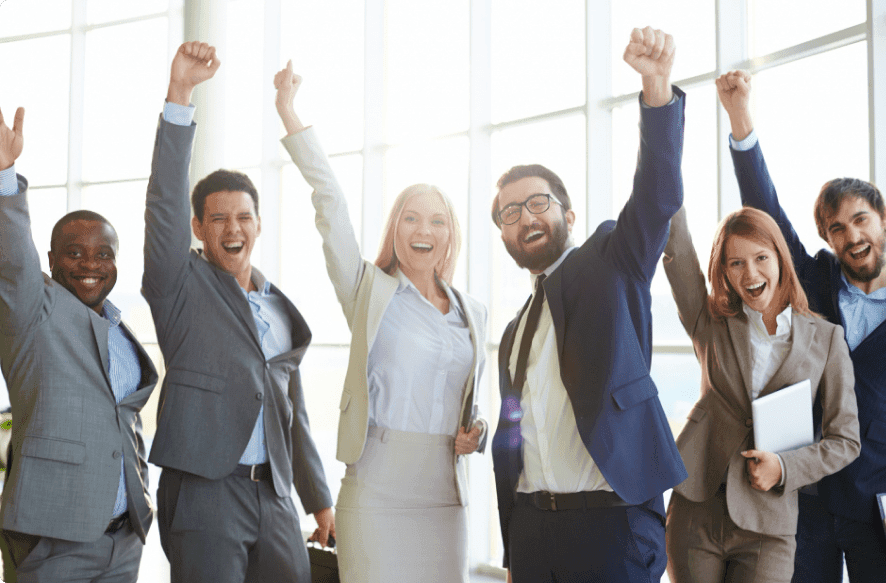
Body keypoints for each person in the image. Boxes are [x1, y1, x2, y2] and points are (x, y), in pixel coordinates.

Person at [717, 68, 886, 582]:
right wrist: (740, 119)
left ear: (883, 219)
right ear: (827, 236)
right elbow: (766, 210)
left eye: (860, 219)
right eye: (837, 228)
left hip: (882, 507)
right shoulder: (814, 282)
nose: (852, 236)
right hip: (804, 499)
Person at [273, 60, 488, 583]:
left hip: (445, 495)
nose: (423, 229)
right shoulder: (368, 291)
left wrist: (478, 432)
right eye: (410, 217)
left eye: (436, 220)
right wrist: (289, 112)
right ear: (395, 230)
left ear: (449, 235)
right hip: (377, 490)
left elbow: (470, 405)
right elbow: (332, 205)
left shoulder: (472, 313)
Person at [490, 26, 688, 583]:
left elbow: (658, 194)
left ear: (568, 217)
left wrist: (655, 88)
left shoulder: (610, 260)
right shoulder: (513, 331)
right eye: (509, 213)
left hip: (612, 530)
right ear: (503, 236)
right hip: (533, 532)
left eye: (538, 202)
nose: (526, 216)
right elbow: (515, 433)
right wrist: (516, 546)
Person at [142, 42, 334, 582]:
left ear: (257, 224)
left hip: (274, 497)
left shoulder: (278, 306)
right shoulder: (178, 285)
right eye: (218, 218)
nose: (233, 228)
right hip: (206, 490)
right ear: (198, 228)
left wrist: (318, 499)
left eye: (244, 217)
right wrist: (180, 95)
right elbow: (163, 205)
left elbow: (290, 410)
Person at [662, 204, 860, 582]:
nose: (750, 273)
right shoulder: (712, 322)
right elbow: (677, 253)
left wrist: (785, 467)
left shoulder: (827, 339)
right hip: (697, 506)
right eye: (735, 263)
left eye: (760, 258)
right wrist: (665, 161)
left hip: (768, 522)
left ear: (781, 260)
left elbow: (846, 440)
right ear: (724, 272)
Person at [0, 106, 158, 581]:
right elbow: (12, 257)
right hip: (53, 539)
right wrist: (5, 174)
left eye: (103, 253)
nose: (90, 263)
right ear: (51, 259)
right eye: (74, 252)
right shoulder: (33, 310)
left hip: (122, 538)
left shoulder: (119, 328)